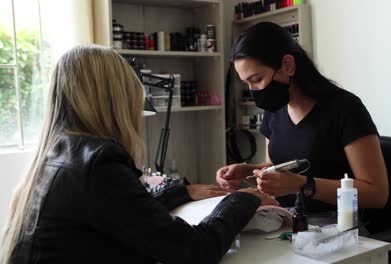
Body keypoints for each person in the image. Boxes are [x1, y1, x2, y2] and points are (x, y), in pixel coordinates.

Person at [0, 44, 276, 264]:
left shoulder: (60, 152)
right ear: (116, 100)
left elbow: (119, 210)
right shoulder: (99, 162)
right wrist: (241, 200)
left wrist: (183, 192)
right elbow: (194, 251)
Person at [217, 22, 389, 221]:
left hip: (339, 227)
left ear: (287, 65)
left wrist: (304, 184)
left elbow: (376, 193)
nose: (253, 90)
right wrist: (247, 172)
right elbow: (276, 170)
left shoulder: (345, 108)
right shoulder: (275, 111)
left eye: (257, 79)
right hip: (288, 219)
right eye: (247, 83)